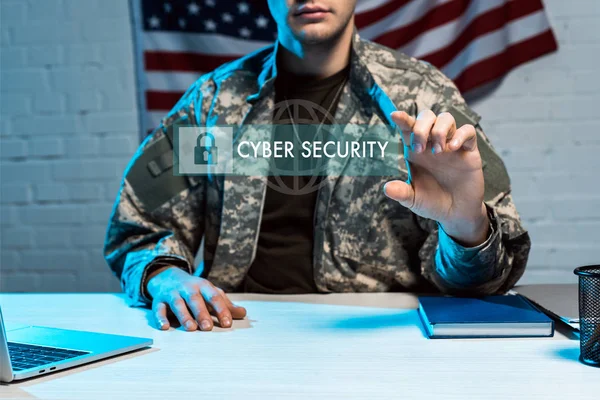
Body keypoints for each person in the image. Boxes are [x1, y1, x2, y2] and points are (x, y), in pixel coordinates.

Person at [104, 0, 531, 332]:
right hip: (233, 330)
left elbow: (487, 282)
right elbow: (137, 226)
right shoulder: (215, 102)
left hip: (378, 340)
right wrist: (166, 277)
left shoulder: (421, 97)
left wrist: (466, 230)